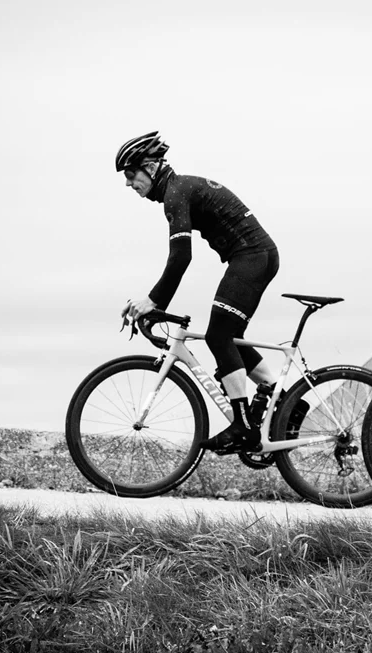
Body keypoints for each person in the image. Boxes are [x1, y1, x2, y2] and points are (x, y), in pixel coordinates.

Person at [116, 131, 280, 454]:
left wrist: (153, 301)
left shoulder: (175, 193)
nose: (128, 183)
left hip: (252, 257)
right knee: (230, 336)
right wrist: (156, 304)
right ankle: (282, 398)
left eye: (131, 174)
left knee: (218, 335)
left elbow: (181, 257)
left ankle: (242, 427)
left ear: (151, 167)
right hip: (255, 256)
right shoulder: (178, 189)